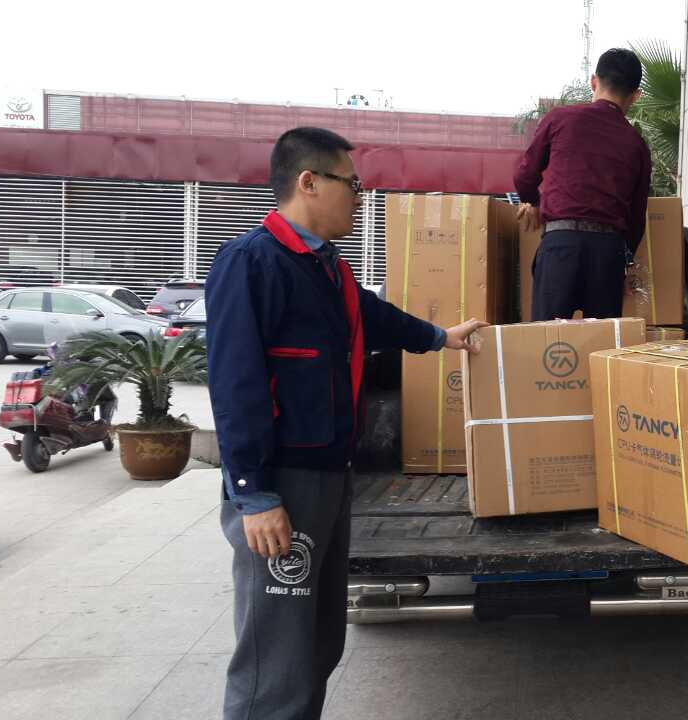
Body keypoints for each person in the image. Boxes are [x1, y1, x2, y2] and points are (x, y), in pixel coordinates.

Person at [206, 126, 485, 719]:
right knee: (275, 660)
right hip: (284, 484)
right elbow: (234, 385)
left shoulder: (326, 267)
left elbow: (374, 317)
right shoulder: (252, 263)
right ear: (309, 182)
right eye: (352, 185)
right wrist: (255, 494)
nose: (360, 198)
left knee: (318, 642)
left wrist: (441, 337)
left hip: (332, 475)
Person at [514, 47, 652, 321]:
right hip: (607, 255)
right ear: (636, 95)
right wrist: (624, 262)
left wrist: (535, 202)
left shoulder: (560, 119)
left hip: (560, 246)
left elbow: (524, 175)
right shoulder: (636, 145)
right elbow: (636, 218)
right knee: (601, 343)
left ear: (593, 81)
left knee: (547, 340)